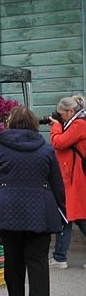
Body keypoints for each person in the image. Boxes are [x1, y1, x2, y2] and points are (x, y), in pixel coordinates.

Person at [0, 106, 65, 296]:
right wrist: (63, 210)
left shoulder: (2, 146)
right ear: (34, 125)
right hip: (39, 208)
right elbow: (57, 182)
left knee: (13, 255)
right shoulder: (46, 149)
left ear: (11, 124)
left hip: (8, 207)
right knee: (38, 259)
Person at [48, 94, 86, 268]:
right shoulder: (76, 123)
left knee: (70, 216)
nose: (60, 117)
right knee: (71, 216)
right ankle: (59, 257)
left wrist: (55, 127)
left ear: (70, 111)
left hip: (75, 178)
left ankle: (59, 258)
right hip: (74, 177)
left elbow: (59, 142)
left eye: (61, 114)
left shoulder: (79, 125)